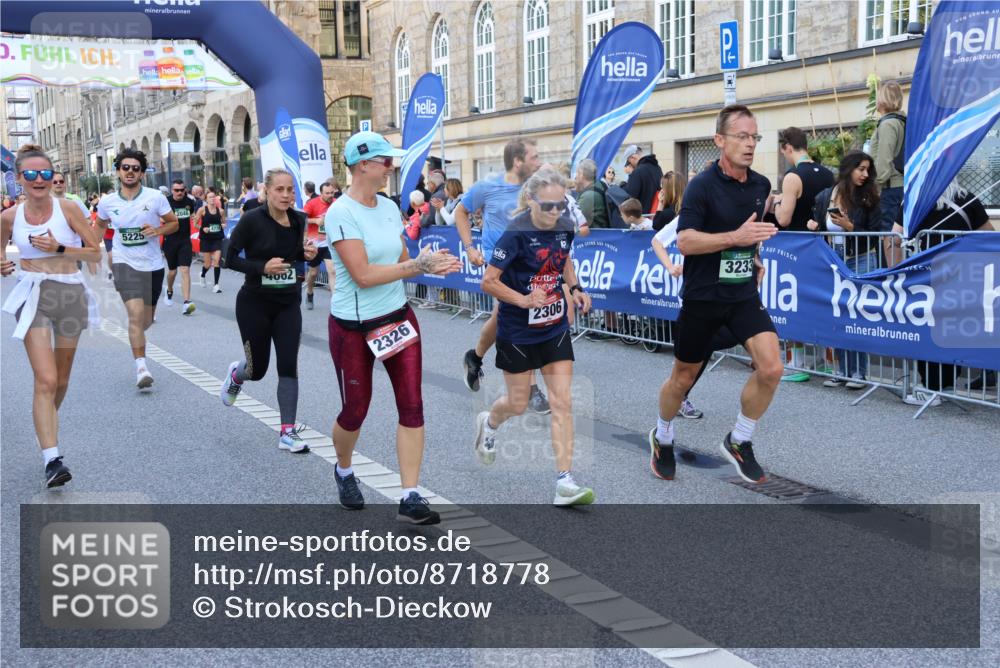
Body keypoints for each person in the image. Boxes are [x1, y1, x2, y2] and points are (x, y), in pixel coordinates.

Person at [324, 131, 461, 524]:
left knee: (412, 405)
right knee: (355, 410)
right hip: (355, 326)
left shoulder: (386, 206)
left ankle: (410, 495)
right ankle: (344, 469)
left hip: (397, 317)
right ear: (363, 164)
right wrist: (416, 266)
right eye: (385, 161)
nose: (391, 167)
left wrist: (427, 262)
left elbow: (402, 258)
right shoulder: (340, 213)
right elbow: (364, 275)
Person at [650, 104, 782, 484]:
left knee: (772, 367)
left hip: (741, 295)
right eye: (742, 136)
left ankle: (739, 439)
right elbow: (686, 241)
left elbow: (750, 231)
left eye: (754, 136)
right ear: (719, 140)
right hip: (703, 297)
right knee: (683, 378)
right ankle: (662, 434)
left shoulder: (760, 186)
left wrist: (753, 255)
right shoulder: (701, 186)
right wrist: (735, 239)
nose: (750, 144)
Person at [473, 168, 595, 506]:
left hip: (554, 325)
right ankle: (490, 424)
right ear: (531, 201)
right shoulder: (515, 233)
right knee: (518, 403)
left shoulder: (565, 223)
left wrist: (574, 287)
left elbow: (564, 258)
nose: (556, 212)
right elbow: (489, 282)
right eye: (549, 206)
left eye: (560, 205)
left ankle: (564, 482)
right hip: (517, 329)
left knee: (562, 402)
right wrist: (524, 299)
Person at [1, 144, 102, 488]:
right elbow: (2, 252)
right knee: (44, 379)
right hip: (33, 296)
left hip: (71, 294)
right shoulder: (9, 218)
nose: (39, 180)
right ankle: (52, 458)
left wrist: (60, 248)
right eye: (30, 174)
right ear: (19, 180)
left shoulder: (69, 208)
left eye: (45, 173)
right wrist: (3, 264)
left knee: (60, 381)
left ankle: (46, 423)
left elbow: (94, 253)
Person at [218, 168, 318, 453]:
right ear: (268, 191)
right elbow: (229, 258)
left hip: (288, 303)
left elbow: (296, 255)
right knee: (257, 369)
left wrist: (309, 254)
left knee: (288, 364)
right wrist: (261, 267)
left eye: (290, 190)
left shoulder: (299, 219)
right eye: (280, 190)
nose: (286, 195)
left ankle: (287, 431)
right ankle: (237, 375)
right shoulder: (252, 219)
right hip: (254, 303)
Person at [455, 137, 549, 413]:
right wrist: (470, 247)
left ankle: (475, 357)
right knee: (522, 317)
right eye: (534, 157)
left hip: (530, 264)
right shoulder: (488, 186)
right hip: (500, 267)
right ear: (518, 161)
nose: (538, 161)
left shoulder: (535, 186)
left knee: (502, 319)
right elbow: (461, 212)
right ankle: (531, 389)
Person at [888, 181, 993, 405]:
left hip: (923, 278)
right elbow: (988, 236)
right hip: (962, 276)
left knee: (926, 329)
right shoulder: (968, 198)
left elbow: (894, 238)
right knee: (952, 331)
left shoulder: (914, 201)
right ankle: (946, 385)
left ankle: (930, 387)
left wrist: (894, 273)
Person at [95, 148, 179, 389]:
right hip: (124, 262)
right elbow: (99, 226)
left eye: (135, 168)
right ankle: (141, 367)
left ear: (142, 173)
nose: (130, 172)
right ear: (118, 171)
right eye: (125, 168)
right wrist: (89, 249)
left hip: (152, 264)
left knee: (146, 320)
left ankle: (136, 336)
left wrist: (158, 230)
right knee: (134, 315)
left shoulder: (155, 197)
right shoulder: (108, 201)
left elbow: (173, 224)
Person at [808, 151, 882, 390]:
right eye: (860, 168)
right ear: (848, 169)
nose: (865, 174)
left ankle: (859, 373)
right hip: (834, 260)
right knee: (837, 314)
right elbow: (819, 225)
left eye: (867, 169)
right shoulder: (825, 197)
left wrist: (851, 227)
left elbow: (874, 234)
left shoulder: (869, 197)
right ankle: (841, 369)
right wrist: (813, 226)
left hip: (860, 259)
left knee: (856, 315)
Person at [774, 126, 835, 382]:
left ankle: (797, 363)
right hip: (823, 247)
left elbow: (784, 219)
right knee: (823, 303)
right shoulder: (829, 174)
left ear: (787, 147)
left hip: (796, 249)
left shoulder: (792, 177)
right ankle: (828, 361)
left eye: (783, 152)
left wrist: (777, 202)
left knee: (794, 304)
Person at [870, 80, 906, 233]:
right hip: (901, 185)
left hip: (890, 188)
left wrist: (873, 184)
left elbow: (884, 160)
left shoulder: (888, 124)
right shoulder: (902, 121)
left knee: (888, 238)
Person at [162, 179, 197, 314]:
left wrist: (196, 218)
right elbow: (160, 218)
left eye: (182, 190)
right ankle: (169, 289)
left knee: (185, 270)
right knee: (172, 272)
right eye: (176, 190)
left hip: (184, 241)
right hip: (170, 241)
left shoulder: (189, 202)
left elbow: (192, 215)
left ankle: (186, 302)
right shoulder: (166, 202)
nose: (180, 193)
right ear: (172, 190)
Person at [303, 180, 336, 310]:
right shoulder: (312, 203)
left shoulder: (336, 204)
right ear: (321, 193)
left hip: (330, 243)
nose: (330, 195)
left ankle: (335, 302)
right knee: (313, 273)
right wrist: (315, 220)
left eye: (332, 193)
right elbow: (302, 218)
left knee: (332, 271)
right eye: (327, 193)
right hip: (315, 244)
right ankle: (309, 293)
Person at [196, 190, 226, 292]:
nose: (212, 199)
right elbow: (195, 223)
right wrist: (202, 228)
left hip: (217, 238)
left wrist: (223, 225)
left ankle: (216, 285)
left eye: (214, 197)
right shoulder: (202, 210)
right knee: (207, 264)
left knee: (216, 261)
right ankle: (203, 274)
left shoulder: (221, 211)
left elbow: (224, 222)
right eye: (210, 197)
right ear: (206, 199)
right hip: (206, 239)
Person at [623, 144, 664, 214]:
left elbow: (631, 196)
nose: (629, 164)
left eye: (628, 161)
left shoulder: (638, 171)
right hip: (656, 212)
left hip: (642, 216)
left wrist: (631, 175)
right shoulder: (657, 168)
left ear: (632, 157)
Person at [575, 158, 610, 230]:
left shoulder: (588, 196)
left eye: (577, 173)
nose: (575, 176)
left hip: (593, 238)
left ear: (581, 174)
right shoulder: (600, 185)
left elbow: (576, 221)